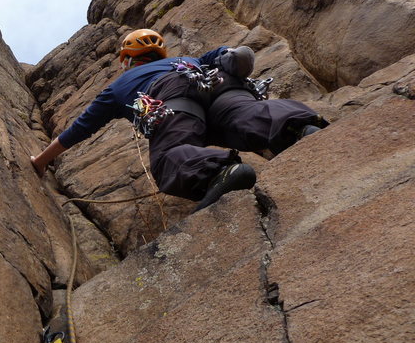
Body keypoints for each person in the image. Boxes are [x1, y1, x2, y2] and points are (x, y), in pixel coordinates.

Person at [31, 29, 326, 210]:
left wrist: (41, 161)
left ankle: (218, 173)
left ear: (128, 60)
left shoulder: (119, 86)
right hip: (213, 80)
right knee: (244, 114)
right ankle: (298, 127)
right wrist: (225, 56)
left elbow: (79, 129)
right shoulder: (186, 58)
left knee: (171, 154)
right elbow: (213, 55)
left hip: (172, 98)